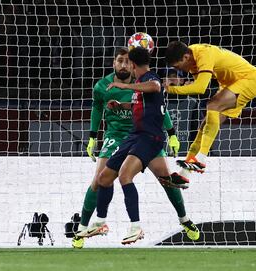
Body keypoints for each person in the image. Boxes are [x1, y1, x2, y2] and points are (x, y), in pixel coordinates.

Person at [73, 47, 198, 248]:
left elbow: (159, 104)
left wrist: (172, 133)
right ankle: (83, 228)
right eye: (119, 61)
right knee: (101, 179)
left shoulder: (143, 82)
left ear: (133, 65)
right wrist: (92, 136)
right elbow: (97, 109)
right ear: (114, 63)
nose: (123, 65)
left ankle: (183, 220)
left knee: (162, 179)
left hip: (144, 136)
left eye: (127, 61)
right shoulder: (102, 86)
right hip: (116, 136)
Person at [164, 41, 256, 175]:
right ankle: (184, 174)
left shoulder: (203, 54)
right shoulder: (192, 59)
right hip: (230, 85)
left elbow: (200, 88)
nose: (180, 70)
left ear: (185, 57)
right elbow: (200, 87)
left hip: (247, 80)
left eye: (178, 66)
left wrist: (169, 89)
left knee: (212, 105)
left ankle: (201, 159)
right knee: (205, 125)